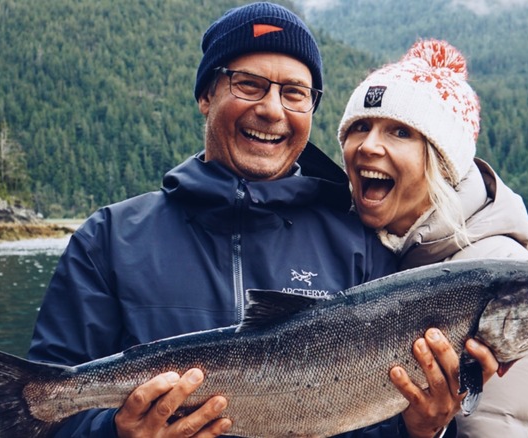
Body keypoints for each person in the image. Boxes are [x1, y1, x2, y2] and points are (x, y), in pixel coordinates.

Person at [28, 4, 497, 438]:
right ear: (206, 95)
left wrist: (421, 430)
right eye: (249, 84)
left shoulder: (363, 248)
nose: (272, 110)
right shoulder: (108, 239)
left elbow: (376, 421)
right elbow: (49, 411)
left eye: (294, 93)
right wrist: (115, 433)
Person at [338, 38, 528, 437]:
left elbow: (498, 428)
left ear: (443, 161)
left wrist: (429, 430)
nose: (369, 145)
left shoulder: (511, 282)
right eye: (360, 127)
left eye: (400, 131)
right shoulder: (365, 247)